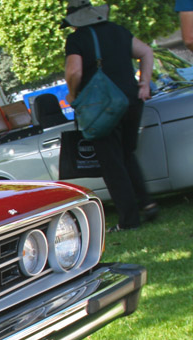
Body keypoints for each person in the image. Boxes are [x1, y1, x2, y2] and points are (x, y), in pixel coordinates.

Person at [63, 0, 157, 231]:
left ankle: (129, 220)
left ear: (74, 21)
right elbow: (146, 52)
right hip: (131, 100)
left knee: (111, 164)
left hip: (102, 106)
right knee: (127, 153)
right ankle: (148, 204)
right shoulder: (118, 30)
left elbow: (74, 71)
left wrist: (73, 95)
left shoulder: (76, 39)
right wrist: (144, 83)